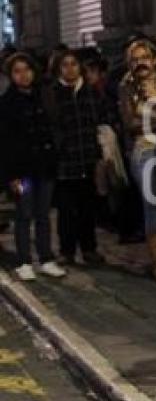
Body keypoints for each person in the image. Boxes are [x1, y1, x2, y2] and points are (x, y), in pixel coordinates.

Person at [0, 52, 66, 280]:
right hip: (22, 172)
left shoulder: (43, 97)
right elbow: (5, 143)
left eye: (26, 70)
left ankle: (46, 258)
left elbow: (53, 127)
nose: (23, 75)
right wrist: (11, 176)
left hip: (44, 167)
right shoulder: (6, 103)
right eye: (17, 71)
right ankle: (24, 260)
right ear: (10, 75)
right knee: (24, 213)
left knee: (43, 214)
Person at [43, 49, 109, 266]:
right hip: (65, 160)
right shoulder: (52, 93)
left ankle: (89, 248)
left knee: (87, 207)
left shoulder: (90, 91)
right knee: (66, 209)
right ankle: (67, 250)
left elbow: (100, 121)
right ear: (58, 69)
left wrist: (100, 154)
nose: (70, 69)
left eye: (73, 64)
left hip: (88, 157)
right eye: (65, 65)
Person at [118, 37, 156, 283]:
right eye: (135, 59)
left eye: (144, 58)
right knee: (153, 203)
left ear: (154, 59)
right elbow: (130, 123)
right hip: (144, 151)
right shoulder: (126, 87)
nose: (141, 63)